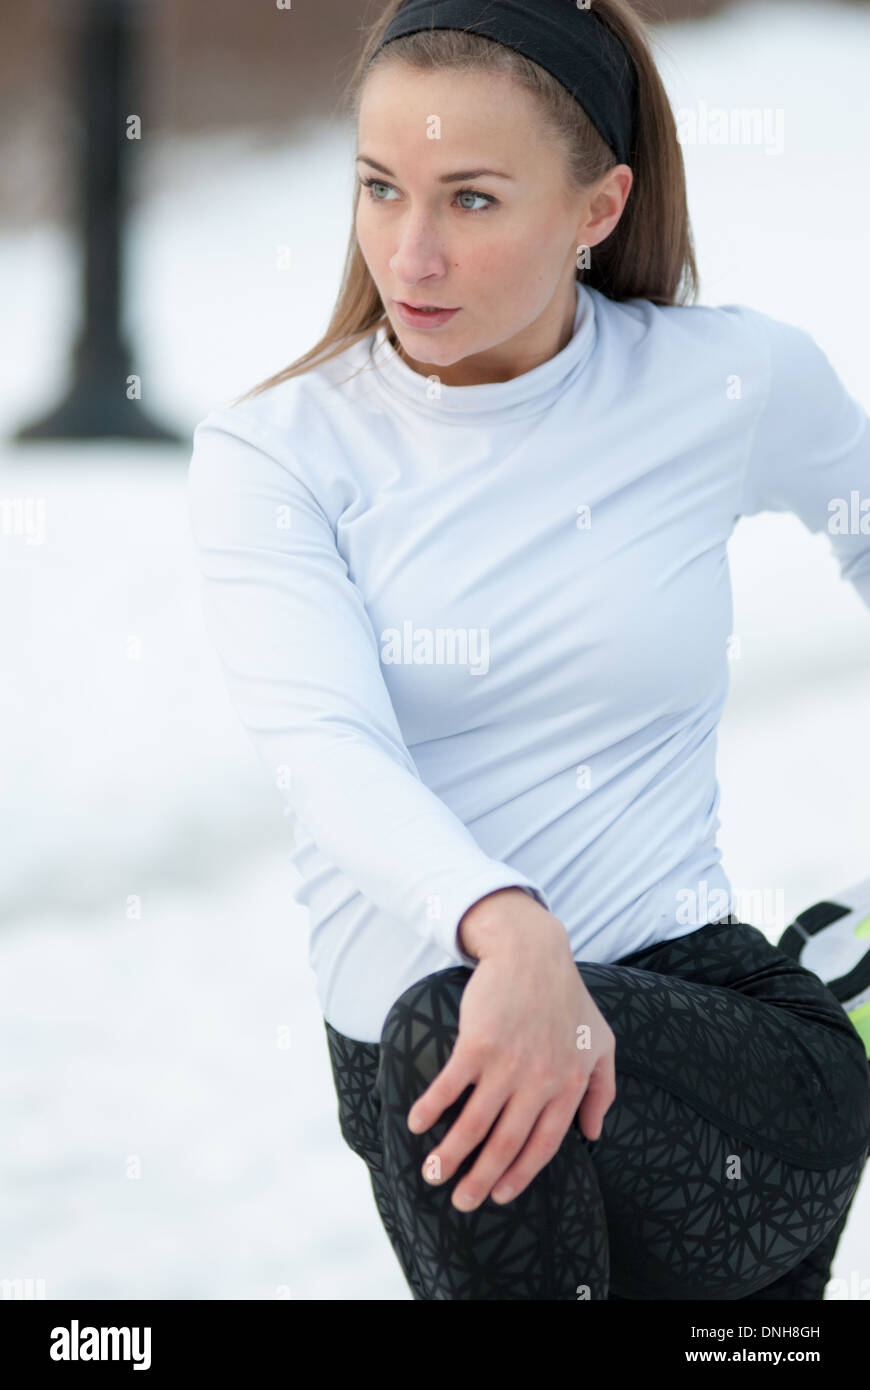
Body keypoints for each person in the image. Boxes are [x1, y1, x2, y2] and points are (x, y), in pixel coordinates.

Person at [186, 0, 870, 1299]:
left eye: (474, 200)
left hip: (703, 1047)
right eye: (380, 189)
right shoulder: (279, 454)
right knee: (448, 1022)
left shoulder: (724, 382)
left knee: (454, 1019)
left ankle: (829, 1008)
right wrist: (507, 928)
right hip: (428, 1073)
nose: (412, 251)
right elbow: (327, 749)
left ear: (596, 209)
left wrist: (521, 958)